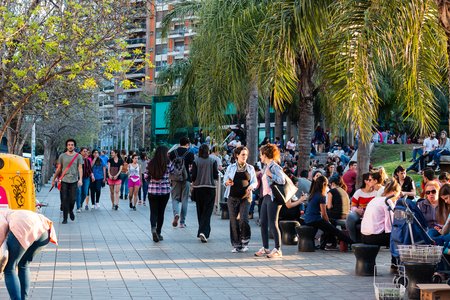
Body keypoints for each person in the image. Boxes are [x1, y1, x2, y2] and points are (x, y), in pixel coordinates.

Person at [1, 209, 58, 300]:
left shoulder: (1, 215)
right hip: (44, 230)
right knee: (23, 264)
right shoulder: (11, 212)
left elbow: (1, 233)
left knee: (9, 268)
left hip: (24, 226)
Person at [303, 175, 353, 249]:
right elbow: (324, 214)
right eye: (326, 185)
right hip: (315, 219)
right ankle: (352, 243)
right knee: (335, 230)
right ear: (324, 185)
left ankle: (323, 245)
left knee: (329, 228)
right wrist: (328, 222)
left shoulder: (313, 194)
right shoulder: (321, 196)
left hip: (308, 219)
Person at [223, 146, 257, 252]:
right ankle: (236, 245)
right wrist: (227, 182)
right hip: (232, 197)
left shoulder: (250, 168)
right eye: (242, 154)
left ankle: (245, 241)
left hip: (245, 197)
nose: (245, 157)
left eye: (246, 155)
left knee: (243, 220)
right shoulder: (231, 167)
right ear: (237, 155)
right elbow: (225, 181)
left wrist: (251, 187)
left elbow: (255, 182)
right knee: (233, 221)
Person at [360, 179, 402, 266]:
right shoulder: (388, 201)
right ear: (394, 192)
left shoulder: (375, 200)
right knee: (399, 237)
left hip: (364, 235)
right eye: (398, 194)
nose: (398, 197)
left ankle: (394, 263)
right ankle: (395, 263)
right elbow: (389, 226)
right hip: (374, 237)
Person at [254, 144, 285, 258]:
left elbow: (282, 180)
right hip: (266, 197)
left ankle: (278, 249)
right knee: (263, 222)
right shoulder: (266, 166)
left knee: (273, 223)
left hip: (273, 197)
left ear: (265, 155)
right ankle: (266, 247)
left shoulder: (274, 167)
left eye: (261, 154)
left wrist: (271, 175)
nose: (260, 156)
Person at [52, 139, 84, 224]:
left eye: (72, 145)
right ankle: (65, 218)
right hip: (64, 180)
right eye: (69, 144)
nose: (70, 146)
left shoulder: (78, 156)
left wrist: (80, 179)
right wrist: (54, 179)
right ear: (67, 146)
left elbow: (80, 168)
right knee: (64, 199)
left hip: (74, 180)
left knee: (73, 198)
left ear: (74, 146)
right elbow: (59, 168)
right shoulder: (62, 156)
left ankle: (71, 210)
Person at [191, 144, 218, 243]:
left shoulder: (196, 161)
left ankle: (202, 230)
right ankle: (204, 232)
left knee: (200, 210)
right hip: (210, 188)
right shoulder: (212, 161)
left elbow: (193, 176)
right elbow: (215, 175)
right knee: (207, 211)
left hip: (198, 188)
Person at [146, 146, 172, 243]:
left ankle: (153, 228)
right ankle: (158, 232)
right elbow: (173, 173)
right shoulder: (168, 163)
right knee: (161, 213)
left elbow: (145, 175)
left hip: (152, 191)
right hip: (165, 191)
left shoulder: (150, 163)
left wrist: (151, 181)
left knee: (153, 212)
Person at [169, 137, 195, 228]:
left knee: (175, 198)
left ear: (179, 143)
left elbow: (170, 165)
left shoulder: (173, 153)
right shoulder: (190, 154)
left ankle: (176, 214)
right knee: (185, 199)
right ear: (187, 144)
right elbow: (192, 167)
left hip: (175, 178)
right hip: (186, 178)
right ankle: (182, 222)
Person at [345, 172, 377, 243]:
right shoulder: (358, 192)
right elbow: (353, 206)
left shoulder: (376, 192)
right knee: (350, 217)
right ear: (365, 181)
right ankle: (353, 241)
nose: (373, 181)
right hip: (360, 213)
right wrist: (357, 210)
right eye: (370, 179)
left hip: (372, 215)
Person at [76, 147, 92, 213]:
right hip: (78, 178)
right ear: (81, 152)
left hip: (86, 178)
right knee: (78, 192)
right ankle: (78, 206)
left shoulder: (87, 160)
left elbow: (90, 169)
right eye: (84, 151)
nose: (85, 153)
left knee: (85, 193)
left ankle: (80, 203)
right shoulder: (77, 160)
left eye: (86, 151)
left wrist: (91, 175)